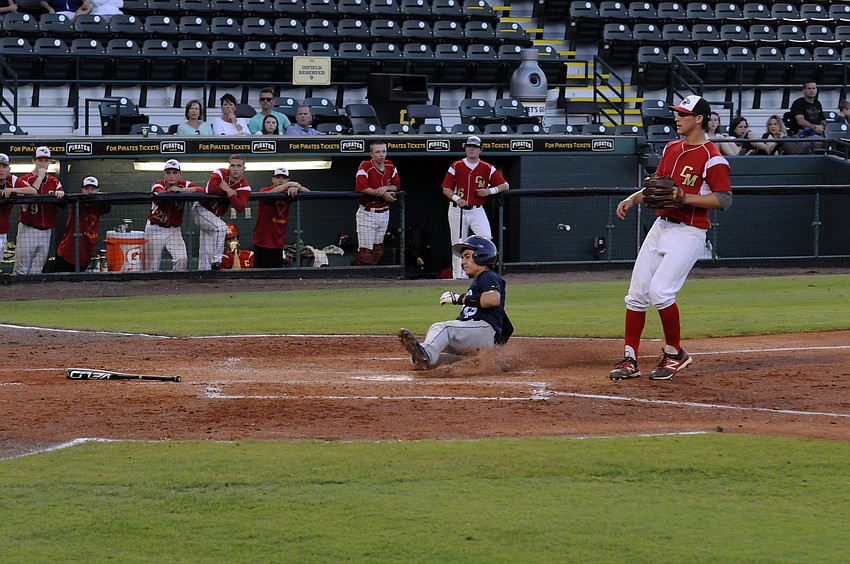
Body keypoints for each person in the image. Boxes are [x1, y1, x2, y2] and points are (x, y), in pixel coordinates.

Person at [609, 95, 732, 381]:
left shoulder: (713, 157)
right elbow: (658, 186)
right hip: (660, 227)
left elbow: (724, 199)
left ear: (699, 118)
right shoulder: (671, 148)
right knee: (637, 294)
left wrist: (686, 197)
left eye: (683, 114)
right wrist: (634, 198)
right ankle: (630, 360)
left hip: (689, 231)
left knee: (661, 292)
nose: (676, 118)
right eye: (677, 113)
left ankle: (676, 353)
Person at [397, 235, 512, 370]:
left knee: (442, 328)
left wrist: (459, 299)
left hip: (482, 330)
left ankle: (426, 353)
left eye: (467, 256)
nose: (463, 261)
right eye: (462, 257)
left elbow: (493, 299)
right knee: (443, 354)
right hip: (479, 336)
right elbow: (507, 327)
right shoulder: (479, 282)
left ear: (482, 256)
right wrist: (493, 352)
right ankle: (424, 360)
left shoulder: (487, 276)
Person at [441, 135, 509, 279]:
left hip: (477, 209)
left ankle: (484, 272)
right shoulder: (457, 165)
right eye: (469, 146)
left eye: (475, 147)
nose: (471, 149)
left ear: (480, 149)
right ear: (466, 148)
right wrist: (457, 198)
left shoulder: (486, 167)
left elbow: (505, 185)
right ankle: (459, 277)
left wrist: (489, 191)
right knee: (458, 243)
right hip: (457, 209)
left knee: (486, 237)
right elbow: (446, 188)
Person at [191, 154, 251, 270]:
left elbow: (240, 207)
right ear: (229, 167)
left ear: (244, 168)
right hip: (201, 209)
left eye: (239, 166)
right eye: (232, 165)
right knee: (221, 227)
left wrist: (228, 190)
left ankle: (203, 275)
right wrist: (233, 194)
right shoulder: (220, 173)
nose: (235, 168)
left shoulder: (244, 186)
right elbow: (211, 189)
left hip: (215, 216)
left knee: (207, 251)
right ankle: (217, 260)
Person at [144, 159, 204, 271]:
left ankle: (176, 285)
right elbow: (160, 193)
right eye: (168, 173)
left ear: (180, 174)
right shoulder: (158, 184)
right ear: (164, 174)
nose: (171, 176)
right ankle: (151, 288)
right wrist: (175, 191)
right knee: (151, 267)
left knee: (182, 259)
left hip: (173, 231)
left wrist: (182, 190)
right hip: (154, 229)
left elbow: (202, 191)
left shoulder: (184, 184)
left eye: (175, 172)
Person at [14, 146, 65, 275]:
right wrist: (40, 178)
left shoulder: (55, 181)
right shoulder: (24, 180)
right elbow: (25, 204)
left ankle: (32, 295)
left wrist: (61, 195)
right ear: (34, 161)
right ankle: (16, 295)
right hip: (28, 229)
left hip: (46, 230)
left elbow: (63, 203)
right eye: (40, 160)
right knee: (21, 268)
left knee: (37, 270)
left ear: (50, 162)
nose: (43, 163)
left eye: (46, 160)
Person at [352, 140, 399, 266]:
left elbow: (396, 186)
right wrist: (383, 194)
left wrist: (386, 188)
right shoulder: (365, 165)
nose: (381, 154)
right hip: (368, 212)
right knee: (366, 252)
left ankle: (371, 275)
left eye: (384, 151)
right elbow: (362, 187)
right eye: (378, 152)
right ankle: (359, 275)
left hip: (384, 212)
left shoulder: (390, 165)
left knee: (378, 249)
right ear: (371, 154)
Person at [50, 176, 110, 272]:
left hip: (86, 253)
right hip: (68, 253)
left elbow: (107, 205)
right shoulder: (77, 203)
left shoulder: (99, 206)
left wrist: (99, 196)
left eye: (93, 188)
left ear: (98, 190)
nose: (90, 191)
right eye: (87, 189)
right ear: (82, 190)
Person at [252, 167, 309, 268]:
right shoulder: (265, 190)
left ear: (288, 179)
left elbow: (308, 193)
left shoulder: (289, 193)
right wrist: (289, 185)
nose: (281, 180)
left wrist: (297, 187)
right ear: (273, 179)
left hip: (278, 243)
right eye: (278, 177)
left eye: (284, 178)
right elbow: (271, 194)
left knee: (276, 275)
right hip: (262, 242)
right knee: (260, 274)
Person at [0, 153, 36, 257]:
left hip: (2, 230)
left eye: (4, 166)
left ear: (9, 169)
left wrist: (13, 190)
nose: (1, 169)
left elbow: (33, 191)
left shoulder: (12, 180)